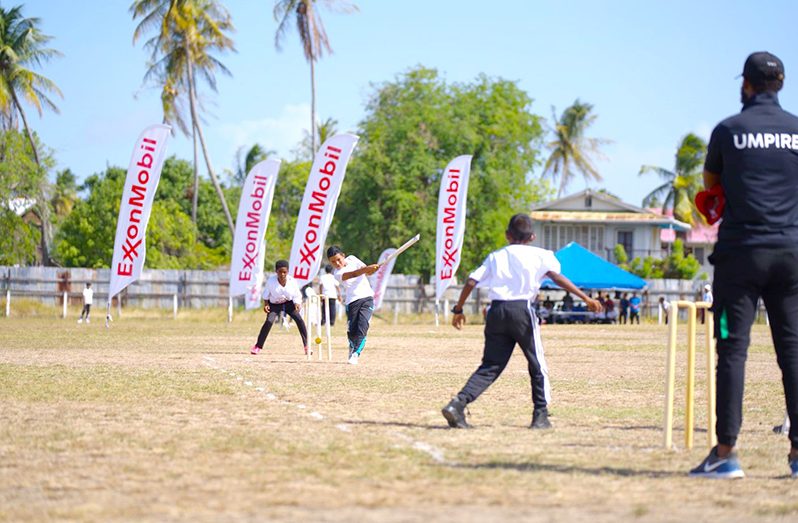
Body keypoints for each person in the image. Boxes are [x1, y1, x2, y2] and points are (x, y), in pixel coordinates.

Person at [689, 51, 798, 479]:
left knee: (731, 351)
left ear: (746, 85)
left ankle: (726, 453)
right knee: (792, 353)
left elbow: (710, 186)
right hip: (791, 255)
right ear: (781, 83)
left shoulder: (729, 130)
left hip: (739, 258)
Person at [441, 214, 602, 430]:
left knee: (491, 365)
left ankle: (457, 404)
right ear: (533, 236)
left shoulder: (496, 256)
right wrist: (585, 298)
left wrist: (458, 309)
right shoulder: (542, 255)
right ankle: (540, 415)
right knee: (537, 363)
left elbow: (472, 280)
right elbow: (556, 277)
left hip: (496, 311)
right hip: (521, 310)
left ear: (507, 235)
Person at [327, 246, 379, 365]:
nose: (337, 263)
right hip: (352, 302)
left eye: (339, 259)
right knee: (352, 331)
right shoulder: (337, 273)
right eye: (333, 262)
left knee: (363, 326)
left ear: (343, 255)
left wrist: (373, 269)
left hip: (367, 298)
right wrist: (367, 269)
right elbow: (354, 274)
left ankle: (356, 354)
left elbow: (368, 272)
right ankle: (351, 347)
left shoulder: (353, 259)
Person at [250, 260, 309, 356]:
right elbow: (266, 295)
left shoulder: (292, 281)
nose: (282, 274)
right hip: (275, 304)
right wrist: (266, 305)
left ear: (288, 271)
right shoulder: (271, 281)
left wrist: (297, 303)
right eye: (280, 272)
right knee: (269, 321)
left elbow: (297, 295)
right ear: (276, 271)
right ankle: (258, 346)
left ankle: (307, 346)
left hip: (289, 303)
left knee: (299, 320)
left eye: (284, 272)